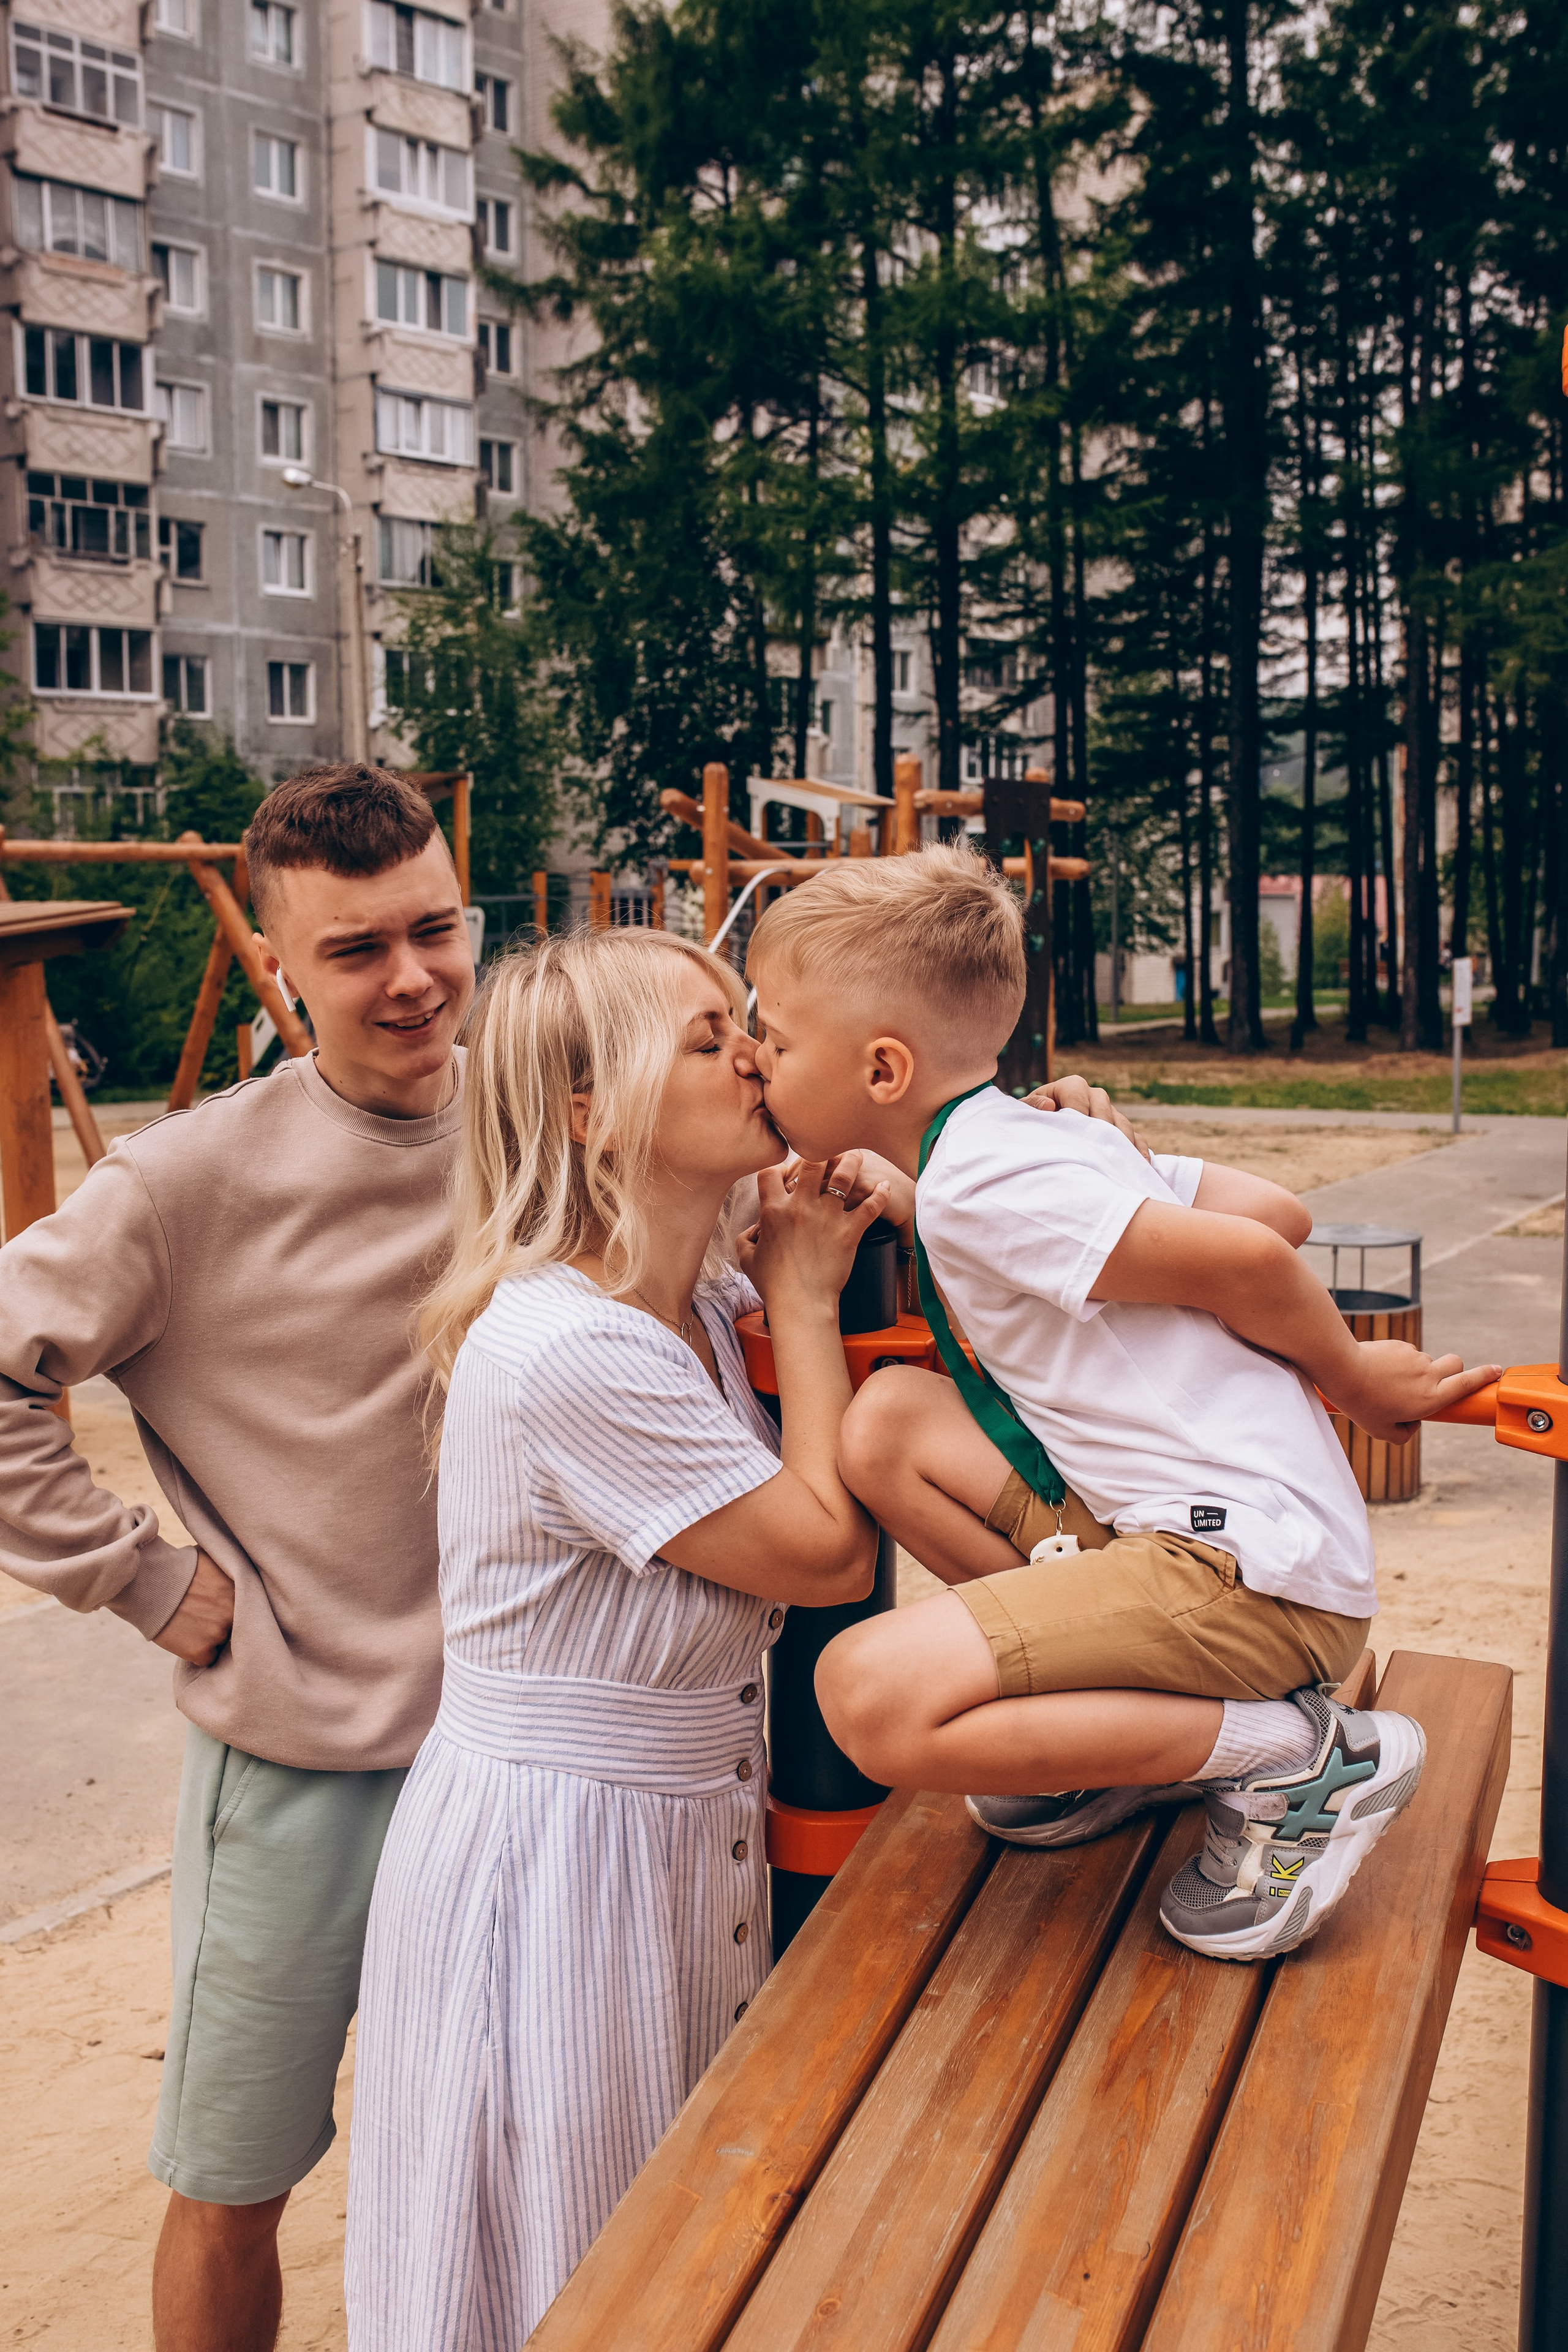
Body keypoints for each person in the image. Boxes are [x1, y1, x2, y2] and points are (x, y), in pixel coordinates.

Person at [745, 843, 1499, 1962]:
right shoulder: (1020, 1146)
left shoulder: (991, 1186)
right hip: (1197, 1540)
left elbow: (1253, 1256)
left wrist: (1350, 1375)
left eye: (777, 1037)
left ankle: (1295, 1756)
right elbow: (1277, 1206)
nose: (760, 1061)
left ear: (885, 1069)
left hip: (1245, 1585)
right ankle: (1112, 1735)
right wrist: (1071, 1175)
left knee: (866, 1696)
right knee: (888, 1421)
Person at [344, 929, 886, 2349]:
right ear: (590, 1107)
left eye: (742, 1031)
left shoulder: (691, 1300)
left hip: (656, 1824)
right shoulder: (570, 1349)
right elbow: (827, 1553)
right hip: (556, 1857)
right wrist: (813, 1300)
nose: (753, 1058)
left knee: (655, 2237)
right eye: (708, 1040)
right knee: (569, 2251)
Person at [0, 765, 476, 2352]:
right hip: (304, 1753)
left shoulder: (542, 1115)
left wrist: (1034, 1132)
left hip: (520, 1753)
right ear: (280, 966)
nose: (410, 977)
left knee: (509, 2146)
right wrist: (138, 1578)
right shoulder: (184, 1181)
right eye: (356, 950)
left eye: (434, 929)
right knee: (235, 2174)